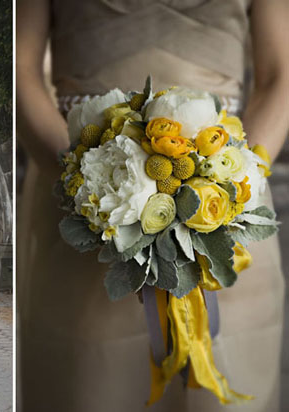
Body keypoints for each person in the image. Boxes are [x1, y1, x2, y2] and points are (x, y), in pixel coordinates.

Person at [16, 0, 289, 411]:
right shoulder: (82, 184)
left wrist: (243, 179)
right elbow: (21, 70)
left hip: (225, 192)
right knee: (88, 380)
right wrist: (80, 179)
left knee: (230, 374)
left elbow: (280, 75)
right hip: (85, 187)